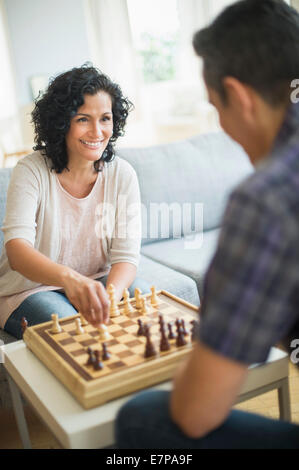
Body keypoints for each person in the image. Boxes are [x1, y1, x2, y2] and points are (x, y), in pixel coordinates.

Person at [115, 0, 299, 449]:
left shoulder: (267, 199)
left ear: (238, 97)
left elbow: (196, 414)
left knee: (141, 418)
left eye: (217, 106)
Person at [0, 65, 149, 339]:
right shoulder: (30, 170)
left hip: (97, 280)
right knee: (77, 334)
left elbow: (126, 257)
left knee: (141, 319)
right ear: (61, 121)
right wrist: (71, 280)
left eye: (105, 118)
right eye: (83, 119)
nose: (97, 131)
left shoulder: (122, 174)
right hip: (30, 289)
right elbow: (17, 251)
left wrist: (110, 300)